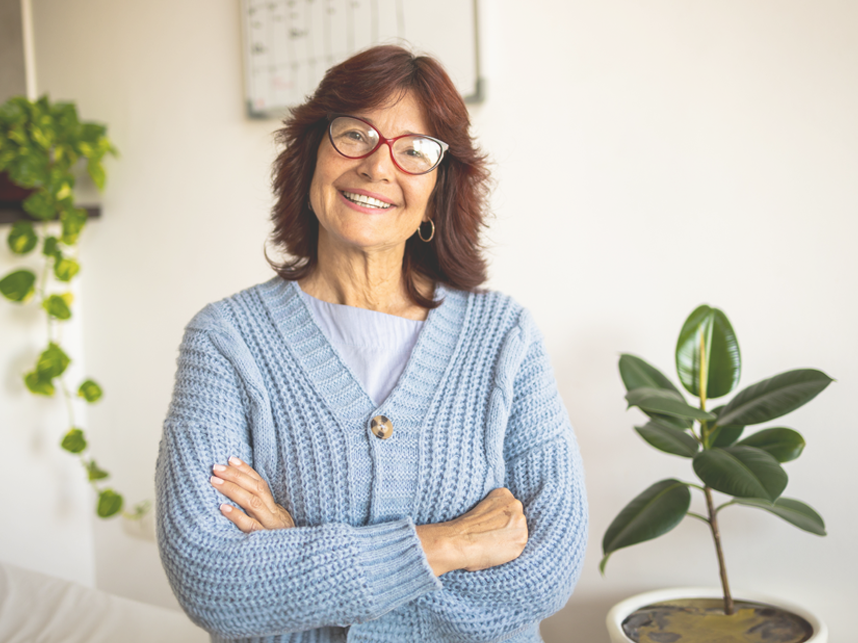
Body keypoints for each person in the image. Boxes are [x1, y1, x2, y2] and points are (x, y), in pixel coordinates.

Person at [156, 45, 587, 643]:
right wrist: (448, 544)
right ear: (312, 155)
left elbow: (546, 573)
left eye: (414, 151)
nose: (378, 167)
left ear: (439, 188)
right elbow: (210, 578)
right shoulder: (227, 340)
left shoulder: (503, 336)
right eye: (354, 135)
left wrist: (297, 558)